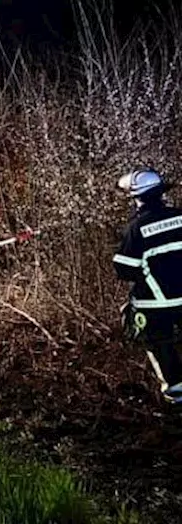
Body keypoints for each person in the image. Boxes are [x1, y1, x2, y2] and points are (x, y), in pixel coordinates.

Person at [113, 167, 182, 404]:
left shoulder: (136, 228)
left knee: (158, 343)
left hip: (155, 302)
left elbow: (124, 269)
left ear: (136, 197)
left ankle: (176, 393)